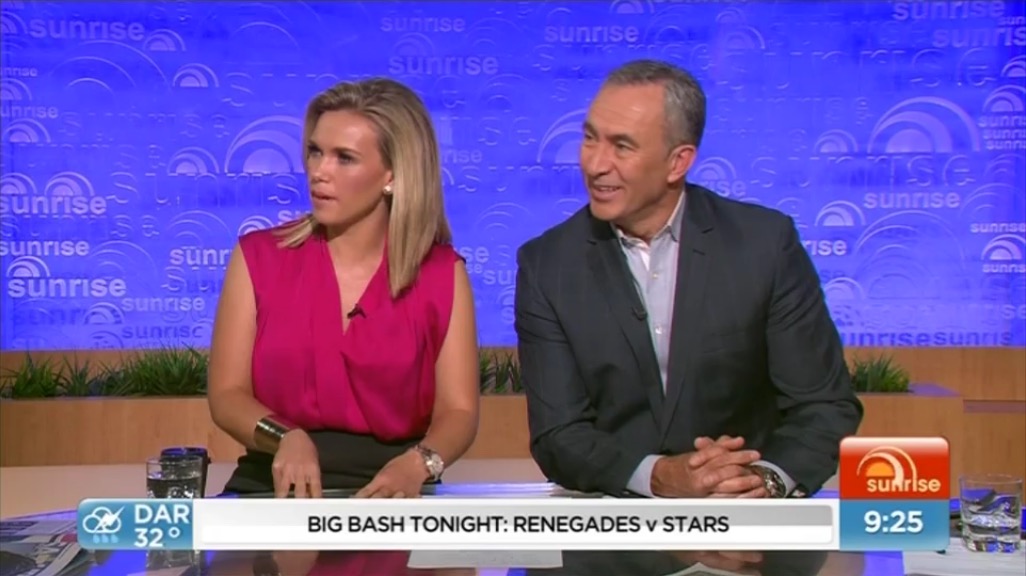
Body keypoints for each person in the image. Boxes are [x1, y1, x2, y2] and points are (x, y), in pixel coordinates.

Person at [514, 59, 863, 499]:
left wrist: (763, 481)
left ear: (678, 162)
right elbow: (558, 434)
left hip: (751, 524)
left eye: (622, 146)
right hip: (618, 525)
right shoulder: (548, 265)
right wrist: (657, 475)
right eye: (589, 138)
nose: (596, 164)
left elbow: (824, 406)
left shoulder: (763, 245)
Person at [206, 78, 480, 499]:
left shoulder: (441, 274)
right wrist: (286, 436)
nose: (319, 171)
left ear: (393, 175)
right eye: (316, 151)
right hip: (273, 485)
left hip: (395, 491)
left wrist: (420, 464)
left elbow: (459, 412)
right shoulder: (258, 258)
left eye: (344, 158)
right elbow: (227, 395)